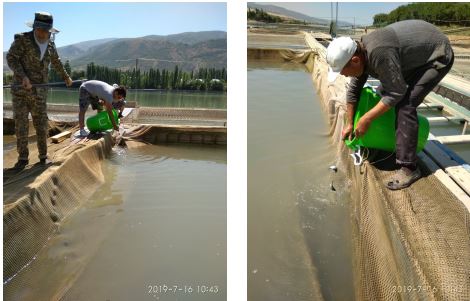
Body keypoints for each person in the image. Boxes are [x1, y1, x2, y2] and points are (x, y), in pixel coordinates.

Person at [326, 20, 454, 190]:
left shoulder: (378, 54)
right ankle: (395, 140)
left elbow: (396, 93)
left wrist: (366, 119)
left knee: (406, 105)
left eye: (343, 71)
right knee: (381, 95)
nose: (344, 74)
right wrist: (350, 123)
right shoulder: (361, 54)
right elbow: (353, 93)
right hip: (412, 57)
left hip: (436, 56)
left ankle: (409, 168)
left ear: (355, 61)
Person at [7, 12, 73, 170]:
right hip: (21, 91)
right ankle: (22, 159)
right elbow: (11, 58)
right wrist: (23, 77)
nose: (42, 33)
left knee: (42, 125)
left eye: (46, 31)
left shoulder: (50, 44)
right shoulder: (22, 40)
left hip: (40, 92)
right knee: (21, 126)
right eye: (40, 29)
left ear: (50, 30)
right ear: (35, 27)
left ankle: (43, 157)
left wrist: (66, 77)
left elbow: (56, 62)